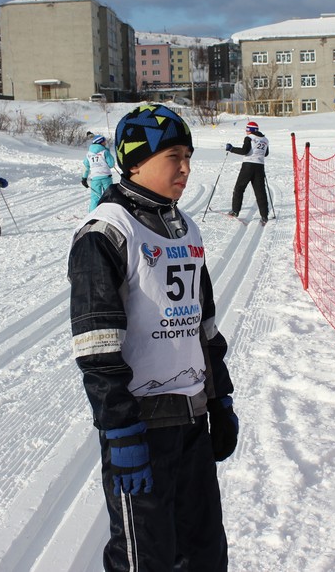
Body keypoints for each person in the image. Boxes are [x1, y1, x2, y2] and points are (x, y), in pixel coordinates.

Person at [68, 104, 238, 572]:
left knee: (204, 553)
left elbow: (204, 326)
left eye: (188, 156)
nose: (185, 168)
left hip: (192, 423)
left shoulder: (185, 227)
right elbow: (97, 348)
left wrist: (220, 398)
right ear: (136, 161)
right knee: (145, 558)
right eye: (173, 156)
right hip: (141, 430)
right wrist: (120, 430)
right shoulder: (105, 232)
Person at [225, 120, 270, 225]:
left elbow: (244, 151)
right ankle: (264, 216)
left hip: (248, 166)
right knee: (260, 192)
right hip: (259, 166)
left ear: (251, 130)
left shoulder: (249, 138)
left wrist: (231, 149)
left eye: (247, 130)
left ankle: (235, 211)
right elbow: (266, 153)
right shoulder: (265, 139)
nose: (246, 132)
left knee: (239, 188)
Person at [81, 134, 116, 211]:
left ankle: (92, 215)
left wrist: (84, 178)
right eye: (104, 141)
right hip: (106, 177)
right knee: (109, 196)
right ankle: (109, 212)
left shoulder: (88, 154)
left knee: (95, 197)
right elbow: (111, 164)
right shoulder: (105, 151)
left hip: (95, 178)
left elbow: (86, 167)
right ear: (101, 142)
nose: (105, 142)